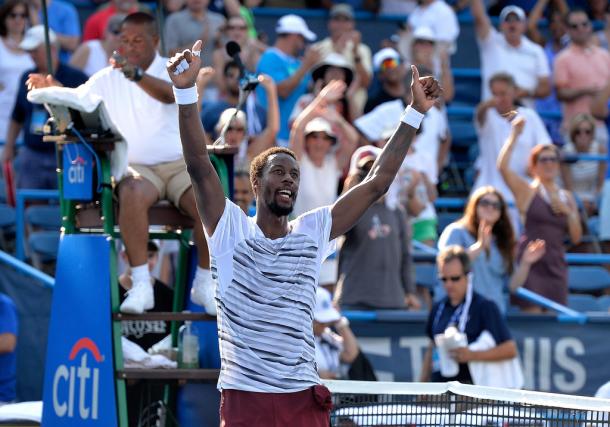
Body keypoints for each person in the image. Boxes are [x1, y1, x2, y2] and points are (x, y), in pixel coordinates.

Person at [166, 38, 440, 425]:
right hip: (246, 397)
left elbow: (376, 183)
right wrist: (184, 91)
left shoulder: (313, 231)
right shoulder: (228, 228)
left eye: (295, 174)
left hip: (301, 397)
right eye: (279, 171)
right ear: (256, 181)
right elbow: (197, 162)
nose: (289, 180)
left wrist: (414, 113)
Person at [27, 13, 215, 314]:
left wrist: (135, 74)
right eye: (124, 40)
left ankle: (205, 281)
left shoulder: (172, 67)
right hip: (138, 168)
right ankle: (141, 284)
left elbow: (172, 95)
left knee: (209, 199)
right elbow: (79, 100)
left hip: (179, 166)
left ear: (154, 41)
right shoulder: (107, 75)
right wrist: (51, 86)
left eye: (137, 40)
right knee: (131, 193)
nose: (129, 46)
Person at [498, 116, 582, 311]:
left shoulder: (567, 196)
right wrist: (514, 135)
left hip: (556, 265)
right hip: (531, 264)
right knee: (533, 319)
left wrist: (569, 213)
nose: (549, 163)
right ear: (534, 166)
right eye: (543, 159)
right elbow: (502, 168)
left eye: (553, 159)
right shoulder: (528, 192)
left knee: (554, 323)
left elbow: (576, 238)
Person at [2, 26, 88, 190]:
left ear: (52, 49)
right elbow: (17, 116)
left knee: (69, 208)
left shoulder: (76, 77)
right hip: (33, 153)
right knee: (29, 207)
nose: (31, 55)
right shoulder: (26, 77)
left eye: (35, 50)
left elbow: (87, 113)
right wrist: (8, 147)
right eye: (29, 51)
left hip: (67, 154)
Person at [335, 146, 420, 310]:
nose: (372, 178)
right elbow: (337, 228)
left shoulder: (397, 212)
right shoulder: (350, 210)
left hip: (392, 301)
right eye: (365, 173)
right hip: (354, 300)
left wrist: (409, 291)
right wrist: (349, 193)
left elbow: (405, 255)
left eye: (377, 171)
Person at [420, 245, 518, 384]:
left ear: (468, 276)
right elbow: (432, 348)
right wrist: (422, 385)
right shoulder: (438, 308)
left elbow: (510, 349)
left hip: (472, 394)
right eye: (444, 279)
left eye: (455, 278)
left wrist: (472, 355)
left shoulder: (485, 307)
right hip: (440, 390)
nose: (449, 284)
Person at [473, 72, 551, 227]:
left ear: (515, 92)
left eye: (503, 93)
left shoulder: (530, 116)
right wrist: (489, 103)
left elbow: (545, 147)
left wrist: (533, 167)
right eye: (494, 94)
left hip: (523, 190)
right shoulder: (486, 115)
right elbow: (480, 112)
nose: (499, 98)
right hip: (490, 192)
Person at [119, 240, 173, 425]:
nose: (145, 261)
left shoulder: (166, 293)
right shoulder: (110, 291)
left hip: (157, 379)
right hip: (122, 380)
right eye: (139, 254)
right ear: (124, 256)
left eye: (150, 256)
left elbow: (178, 336)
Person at [438, 186, 516, 313]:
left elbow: (512, 285)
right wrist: (480, 246)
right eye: (485, 203)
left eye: (496, 205)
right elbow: (448, 265)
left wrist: (526, 263)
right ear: (474, 205)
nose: (490, 207)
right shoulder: (456, 231)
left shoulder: (503, 240)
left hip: (493, 312)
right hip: (460, 311)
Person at [289, 80, 359, 217]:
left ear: (331, 143)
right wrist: (321, 99)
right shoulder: (299, 160)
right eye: (314, 136)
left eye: (325, 137)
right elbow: (297, 128)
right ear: (306, 140)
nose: (319, 142)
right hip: (298, 233)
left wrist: (338, 119)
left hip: (325, 233)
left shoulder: (333, 163)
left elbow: (353, 139)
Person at [471, 0, 551, 107]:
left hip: (523, 114)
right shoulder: (491, 42)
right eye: (507, 20)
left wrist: (525, 92)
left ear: (524, 25)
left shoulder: (536, 51)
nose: (512, 23)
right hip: (493, 112)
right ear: (501, 25)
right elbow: (479, 18)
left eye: (517, 20)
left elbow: (545, 88)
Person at [255, 14, 320, 145]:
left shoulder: (298, 62)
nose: (304, 44)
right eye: (303, 38)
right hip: (274, 135)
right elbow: (283, 91)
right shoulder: (270, 57)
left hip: (295, 135)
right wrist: (307, 65)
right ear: (294, 36)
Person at [554, 9, 610, 144]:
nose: (581, 29)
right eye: (575, 26)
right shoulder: (562, 58)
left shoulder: (604, 55)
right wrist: (586, 91)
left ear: (590, 25)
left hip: (602, 126)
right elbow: (560, 94)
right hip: (575, 128)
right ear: (567, 29)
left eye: (584, 24)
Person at [314, 3, 372, 115]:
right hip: (323, 111)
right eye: (336, 19)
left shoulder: (362, 50)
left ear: (352, 24)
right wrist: (338, 51)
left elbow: (366, 83)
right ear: (329, 23)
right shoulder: (317, 49)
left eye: (345, 20)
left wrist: (355, 52)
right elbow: (314, 84)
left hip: (354, 113)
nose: (341, 24)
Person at [211, 75, 279, 171]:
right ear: (219, 130)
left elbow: (272, 130)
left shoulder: (249, 153)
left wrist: (271, 90)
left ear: (244, 133)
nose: (234, 134)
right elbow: (193, 133)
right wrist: (198, 86)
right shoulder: (210, 152)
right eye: (229, 128)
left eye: (239, 129)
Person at [527, 0, 569, 145]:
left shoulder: (572, 47)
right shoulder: (543, 45)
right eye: (553, 22)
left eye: (561, 22)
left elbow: (568, 16)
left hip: (564, 108)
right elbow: (531, 26)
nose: (558, 26)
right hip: (543, 108)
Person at [199, 60, 267, 138]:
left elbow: (270, 134)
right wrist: (200, 84)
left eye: (241, 76)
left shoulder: (258, 112)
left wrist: (271, 89)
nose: (236, 80)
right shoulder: (211, 111)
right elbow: (199, 135)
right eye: (231, 75)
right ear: (224, 79)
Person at [560, 113, 607, 216]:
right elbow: (568, 187)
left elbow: (600, 183)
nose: (583, 135)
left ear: (592, 134)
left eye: (587, 132)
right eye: (578, 132)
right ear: (573, 134)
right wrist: (581, 204)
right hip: (572, 199)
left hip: (593, 199)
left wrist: (593, 202)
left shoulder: (600, 150)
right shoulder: (566, 153)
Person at [0, 0, 33, 141]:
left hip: (28, 111)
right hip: (2, 111)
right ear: (4, 18)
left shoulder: (35, 46)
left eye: (23, 15)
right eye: (13, 15)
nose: (18, 19)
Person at [313, 286, 359, 380]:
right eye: (319, 321)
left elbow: (350, 354)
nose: (324, 324)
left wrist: (339, 321)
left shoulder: (326, 335)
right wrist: (317, 376)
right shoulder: (293, 341)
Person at [164, 0, 225, 65]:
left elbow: (226, 53)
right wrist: (201, 43)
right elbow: (170, 54)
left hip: (214, 73)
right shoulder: (174, 20)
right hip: (186, 73)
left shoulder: (219, 20)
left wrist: (219, 43)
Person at [364, 47, 405, 113]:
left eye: (393, 62)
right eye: (385, 65)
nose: (391, 68)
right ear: (380, 75)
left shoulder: (415, 96)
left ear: (402, 67)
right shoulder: (373, 103)